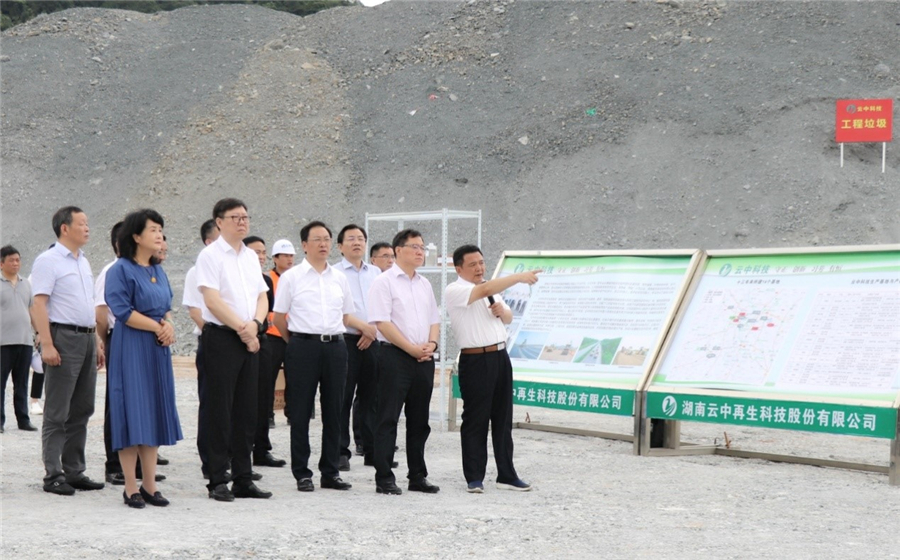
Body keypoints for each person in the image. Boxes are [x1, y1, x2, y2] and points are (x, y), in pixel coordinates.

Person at [273, 221, 366, 492]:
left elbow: (346, 316)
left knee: (334, 410)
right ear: (304, 245)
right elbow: (279, 318)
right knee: (300, 411)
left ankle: (330, 471)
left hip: (336, 347)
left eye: (327, 239)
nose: (323, 244)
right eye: (317, 239)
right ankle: (302, 473)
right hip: (303, 346)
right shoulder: (292, 277)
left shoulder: (339, 278)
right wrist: (297, 343)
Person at [445, 245, 541, 493]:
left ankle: (506, 475)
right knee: (475, 420)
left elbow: (507, 318)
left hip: (500, 357)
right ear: (459, 269)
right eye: (472, 264)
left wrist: (502, 312)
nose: (479, 268)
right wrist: (519, 277)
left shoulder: (491, 290)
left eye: (481, 262)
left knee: (503, 418)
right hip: (475, 360)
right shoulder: (455, 290)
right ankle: (474, 477)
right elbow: (484, 290)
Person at [105, 209, 183, 508]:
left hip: (156, 347)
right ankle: (130, 486)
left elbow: (167, 306)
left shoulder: (158, 270)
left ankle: (150, 485)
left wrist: (169, 324)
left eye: (160, 229)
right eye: (153, 229)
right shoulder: (120, 270)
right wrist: (159, 327)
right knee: (131, 411)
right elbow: (122, 311)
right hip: (132, 346)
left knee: (153, 410)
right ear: (136, 236)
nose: (159, 235)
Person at [195, 198, 271, 502]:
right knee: (218, 410)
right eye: (235, 217)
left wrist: (256, 324)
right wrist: (244, 329)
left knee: (246, 410)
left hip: (250, 335)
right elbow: (212, 301)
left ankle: (243, 477)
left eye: (245, 217)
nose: (242, 222)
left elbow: (262, 296)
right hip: (222, 338)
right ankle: (217, 479)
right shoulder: (210, 256)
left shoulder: (250, 257)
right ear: (219, 221)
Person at [30, 206, 106, 495]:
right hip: (63, 338)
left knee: (82, 407)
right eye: (82, 223)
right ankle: (53, 474)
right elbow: (39, 304)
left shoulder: (82, 261)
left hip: (86, 338)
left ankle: (74, 470)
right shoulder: (48, 261)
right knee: (57, 410)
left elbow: (86, 305)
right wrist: (47, 343)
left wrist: (96, 340)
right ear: (65, 228)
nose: (87, 228)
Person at [366, 229, 441, 496]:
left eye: (422, 247)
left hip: (423, 358)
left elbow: (434, 319)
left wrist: (432, 344)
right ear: (398, 250)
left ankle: (417, 476)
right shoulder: (384, 282)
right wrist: (410, 349)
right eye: (415, 247)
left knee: (420, 420)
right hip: (394, 356)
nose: (421, 252)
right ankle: (384, 477)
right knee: (388, 418)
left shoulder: (424, 284)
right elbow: (382, 323)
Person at [335, 225, 380, 470]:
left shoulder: (376, 273)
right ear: (340, 246)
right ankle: (341, 451)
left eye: (361, 238)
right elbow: (337, 309)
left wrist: (371, 331)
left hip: (373, 340)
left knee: (371, 398)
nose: (357, 242)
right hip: (346, 340)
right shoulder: (334, 273)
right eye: (351, 239)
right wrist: (363, 327)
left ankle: (372, 450)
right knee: (342, 397)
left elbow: (383, 305)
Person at [243, 236, 286, 470]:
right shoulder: (235, 277)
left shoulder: (265, 280)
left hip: (262, 339)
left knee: (263, 396)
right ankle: (235, 451)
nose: (260, 257)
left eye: (263, 252)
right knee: (241, 398)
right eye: (255, 252)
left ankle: (261, 449)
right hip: (239, 339)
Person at [182, 218, 219, 480]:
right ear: (208, 241)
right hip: (213, 341)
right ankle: (211, 461)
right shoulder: (197, 271)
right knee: (212, 403)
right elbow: (195, 311)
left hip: (238, 341)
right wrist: (218, 335)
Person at [1, 245, 37, 433]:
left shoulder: (26, 284)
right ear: (1, 263)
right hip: (3, 342)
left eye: (18, 260)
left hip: (24, 341)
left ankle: (23, 420)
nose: (16, 263)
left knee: (22, 383)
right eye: (11, 260)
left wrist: (39, 333)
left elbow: (32, 310)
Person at [263, 239, 294, 431]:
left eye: (291, 256)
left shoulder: (297, 277)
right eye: (285, 256)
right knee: (268, 377)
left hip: (293, 334)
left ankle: (293, 413)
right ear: (275, 258)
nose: (289, 259)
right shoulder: (267, 278)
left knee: (295, 377)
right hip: (272, 335)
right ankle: (267, 415)